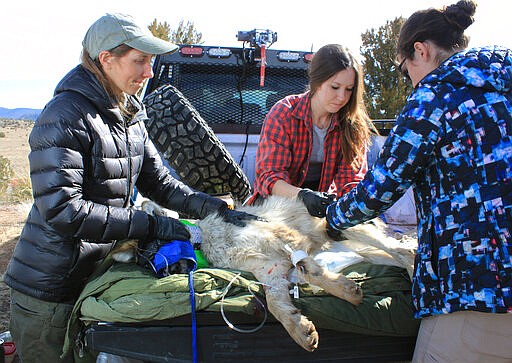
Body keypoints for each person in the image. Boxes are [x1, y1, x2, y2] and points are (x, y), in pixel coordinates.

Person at [3, 13, 259, 363]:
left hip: (98, 276)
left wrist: (216, 210)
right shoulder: (65, 116)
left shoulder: (128, 115)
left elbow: (162, 185)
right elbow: (64, 211)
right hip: (53, 289)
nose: (149, 72)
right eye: (139, 61)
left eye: (151, 62)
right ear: (106, 59)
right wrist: (152, 225)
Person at [301, 1, 512, 362]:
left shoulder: (436, 94)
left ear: (421, 50)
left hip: (479, 288)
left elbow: (382, 185)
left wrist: (333, 217)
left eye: (403, 71)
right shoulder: (500, 83)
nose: (409, 81)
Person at [247, 44, 376, 217]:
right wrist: (302, 196)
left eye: (349, 89)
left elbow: (351, 181)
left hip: (327, 208)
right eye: (335, 87)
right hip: (278, 207)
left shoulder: (353, 125)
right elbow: (269, 178)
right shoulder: (284, 113)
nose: (342, 97)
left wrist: (341, 208)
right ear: (317, 82)